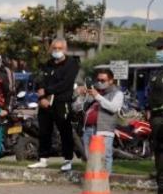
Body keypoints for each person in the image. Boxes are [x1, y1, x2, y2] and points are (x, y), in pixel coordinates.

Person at [29, 38, 80, 171]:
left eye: (59, 48)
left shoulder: (72, 64)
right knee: (44, 131)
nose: (57, 51)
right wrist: (42, 97)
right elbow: (40, 81)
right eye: (54, 48)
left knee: (65, 131)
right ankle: (43, 159)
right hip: (45, 102)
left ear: (65, 49)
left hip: (62, 102)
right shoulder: (48, 64)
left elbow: (65, 84)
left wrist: (47, 91)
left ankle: (67, 160)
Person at [138, 36, 163, 194]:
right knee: (161, 176)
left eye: (160, 48)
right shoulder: (157, 73)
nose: (158, 51)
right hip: (157, 124)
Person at [76, 69, 123, 174]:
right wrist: (81, 95)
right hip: (88, 128)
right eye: (98, 80)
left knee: (105, 155)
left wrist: (97, 96)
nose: (100, 82)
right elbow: (78, 108)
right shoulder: (93, 91)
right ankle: (93, 180)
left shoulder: (117, 93)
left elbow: (113, 108)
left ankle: (105, 181)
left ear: (111, 81)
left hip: (104, 129)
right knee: (89, 156)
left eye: (103, 80)